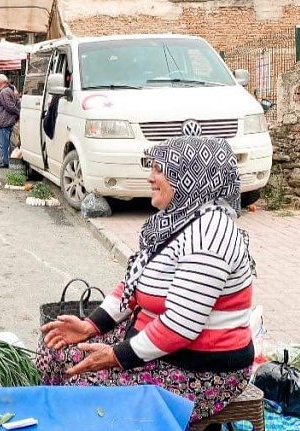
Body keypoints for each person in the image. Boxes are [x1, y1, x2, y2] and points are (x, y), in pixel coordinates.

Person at [37, 137, 256, 424]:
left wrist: (116, 356)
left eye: (160, 170)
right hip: (154, 347)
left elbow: (180, 326)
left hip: (200, 370)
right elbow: (132, 286)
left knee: (85, 396)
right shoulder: (174, 221)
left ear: (191, 177)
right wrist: (90, 326)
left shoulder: (209, 236)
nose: (151, 178)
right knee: (54, 352)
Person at [0, 74, 20, 168]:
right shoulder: (8, 90)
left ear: (0, 82)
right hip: (6, 120)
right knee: (4, 143)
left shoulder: (4, 92)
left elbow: (10, 106)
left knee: (3, 143)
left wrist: (17, 113)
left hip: (5, 121)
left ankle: (5, 162)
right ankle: (6, 160)